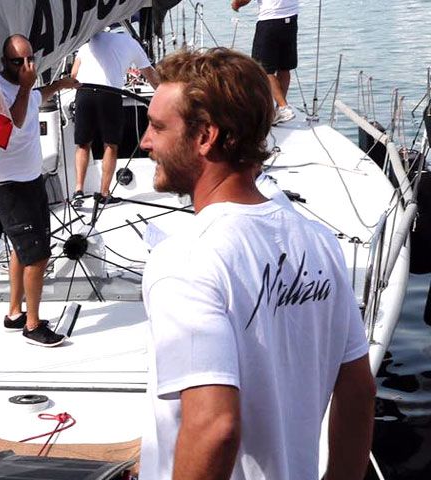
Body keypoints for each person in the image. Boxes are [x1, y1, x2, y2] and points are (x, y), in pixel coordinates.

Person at [138, 48, 375, 480]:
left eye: (157, 127)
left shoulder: (184, 259)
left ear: (205, 136)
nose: (145, 141)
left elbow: (214, 426)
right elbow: (358, 393)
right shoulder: (320, 243)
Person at [0, 34, 79, 347]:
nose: (27, 66)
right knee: (37, 256)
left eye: (30, 59)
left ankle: (14, 313)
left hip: (30, 180)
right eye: (18, 61)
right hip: (10, 187)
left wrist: (61, 85)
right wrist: (26, 85)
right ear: (2, 63)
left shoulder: (25, 88)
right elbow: (18, 120)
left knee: (19, 251)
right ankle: (33, 325)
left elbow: (38, 95)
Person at [71, 31, 160, 203]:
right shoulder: (131, 43)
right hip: (109, 94)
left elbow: (74, 74)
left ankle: (78, 191)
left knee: (83, 143)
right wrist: (165, 95)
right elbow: (150, 75)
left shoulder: (89, 40)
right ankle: (104, 194)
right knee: (110, 144)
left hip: (84, 92)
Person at [232, 0, 298, 125]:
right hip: (291, 19)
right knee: (284, 67)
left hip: (270, 21)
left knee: (262, 68)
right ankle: (279, 110)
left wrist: (236, 5)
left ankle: (283, 107)